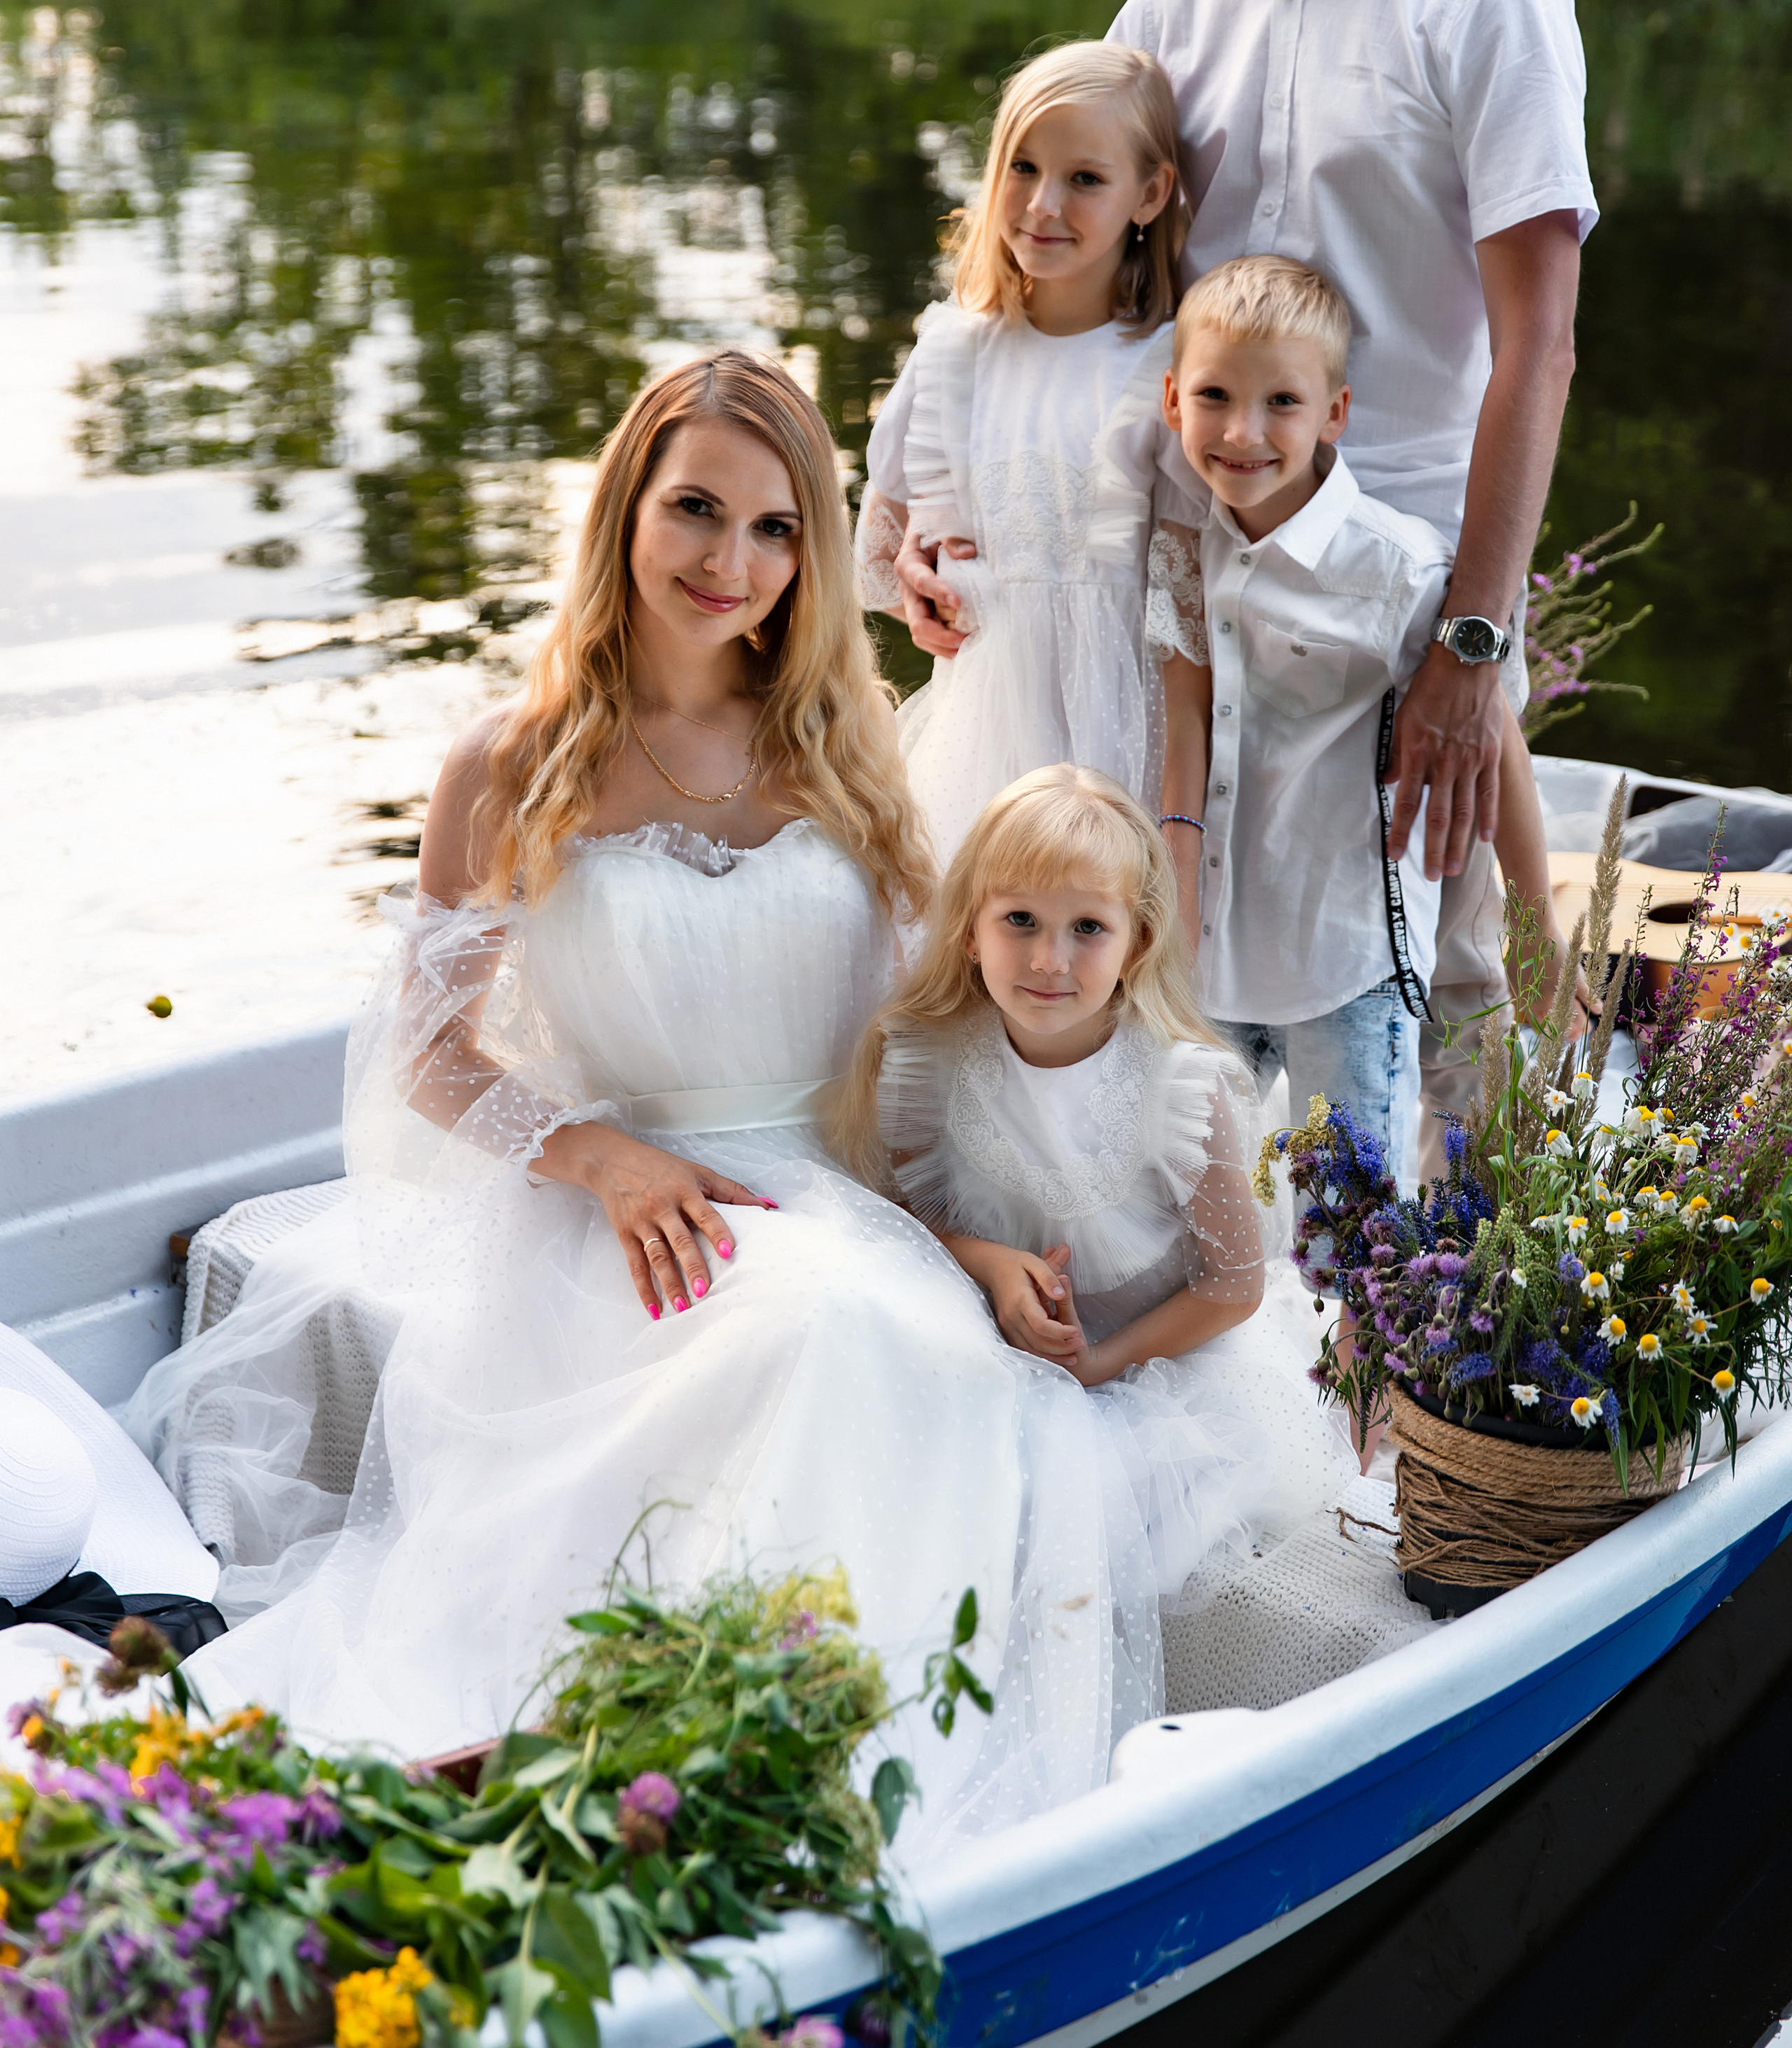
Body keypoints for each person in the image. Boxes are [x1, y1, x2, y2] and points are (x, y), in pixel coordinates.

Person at [125, 352, 1179, 1853]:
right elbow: (430, 1056)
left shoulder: (844, 748)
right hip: (617, 1218)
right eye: (694, 509)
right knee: (815, 1327)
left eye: (773, 529)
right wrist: (604, 1156)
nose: (727, 563)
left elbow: (904, 1060)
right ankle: (686, 1769)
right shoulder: (513, 766)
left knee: (891, 1338)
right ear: (624, 508)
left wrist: (958, 1242)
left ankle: (814, 1775)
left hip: (828, 1206)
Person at [1102, 0, 1597, 1170]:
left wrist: (1474, 636)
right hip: (1203, 587)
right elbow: (1098, 302)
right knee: (1204, 1006)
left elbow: (1536, 344)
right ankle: (1235, 1333)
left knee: (1451, 1003)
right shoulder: (1166, 9)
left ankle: (1481, 1359)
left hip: (1406, 592)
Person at [834, 764, 1355, 1578]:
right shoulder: (924, 1062)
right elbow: (908, 1224)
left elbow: (1232, 1286)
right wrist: (994, 1265)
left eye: (1087, 928)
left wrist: (1096, 1368)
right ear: (969, 930)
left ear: (1136, 943)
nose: (1049, 958)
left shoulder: (1185, 1089)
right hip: (995, 1353)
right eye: (1019, 920)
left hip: (1160, 1375)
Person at [1165, 255, 1563, 1184]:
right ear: (1175, 400)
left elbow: (1492, 736)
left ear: (1334, 414)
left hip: (1343, 954)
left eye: (1282, 405)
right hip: (1215, 949)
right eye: (1216, 397)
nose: (1242, 432)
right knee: (1189, 1192)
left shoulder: (1398, 570)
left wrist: (1537, 921)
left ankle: (1380, 1332)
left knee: (1352, 1225)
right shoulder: (1191, 551)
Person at [857, 43, 1212, 908]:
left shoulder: (1171, 365)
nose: (1042, 204)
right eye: (1022, 167)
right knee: (968, 956)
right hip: (979, 736)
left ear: (1151, 194)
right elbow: (885, 547)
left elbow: (1187, 615)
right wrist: (914, 577)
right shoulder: (952, 352)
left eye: (1084, 179)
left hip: (1123, 740)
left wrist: (1179, 830)